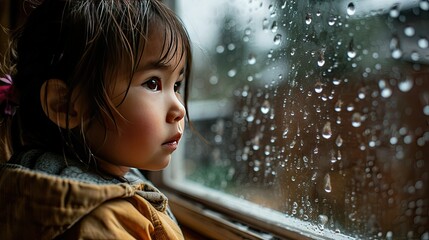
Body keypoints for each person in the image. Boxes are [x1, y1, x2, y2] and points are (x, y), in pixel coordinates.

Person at [0, 0, 192, 239]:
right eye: (152, 83)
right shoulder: (103, 220)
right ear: (65, 106)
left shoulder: (31, 177)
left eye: (176, 85)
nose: (179, 108)